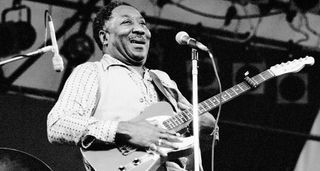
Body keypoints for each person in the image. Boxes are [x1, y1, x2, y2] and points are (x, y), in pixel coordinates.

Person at [47, 1, 216, 170]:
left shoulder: (162, 79)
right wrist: (126, 130)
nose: (140, 29)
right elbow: (58, 124)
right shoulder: (92, 71)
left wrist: (204, 129)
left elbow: (193, 144)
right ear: (104, 37)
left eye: (143, 23)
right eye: (127, 22)